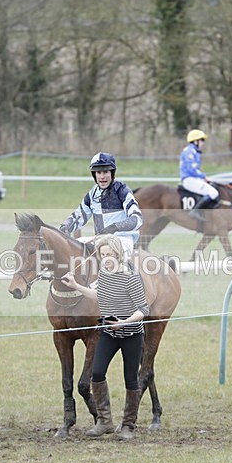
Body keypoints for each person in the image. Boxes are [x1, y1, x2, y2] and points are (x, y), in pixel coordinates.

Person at [61, 235, 149, 440]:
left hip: (131, 334)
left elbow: (143, 309)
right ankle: (105, 422)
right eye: (103, 254)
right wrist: (75, 285)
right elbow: (98, 294)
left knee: (130, 378)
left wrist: (124, 322)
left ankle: (128, 425)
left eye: (110, 254)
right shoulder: (104, 273)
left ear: (118, 253)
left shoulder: (131, 277)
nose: (106, 258)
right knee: (97, 373)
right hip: (109, 333)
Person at [60, 152, 142, 259]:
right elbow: (78, 216)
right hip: (100, 240)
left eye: (105, 172)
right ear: (94, 175)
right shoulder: (93, 193)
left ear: (112, 173)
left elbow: (137, 219)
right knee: (73, 248)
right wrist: (65, 227)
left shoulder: (122, 191)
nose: (102, 177)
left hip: (122, 240)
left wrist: (115, 227)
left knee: (108, 255)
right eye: (98, 172)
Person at [180, 129, 218, 219]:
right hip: (189, 179)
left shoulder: (194, 151)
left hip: (193, 178)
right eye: (202, 140)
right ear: (195, 141)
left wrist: (203, 178)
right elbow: (191, 169)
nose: (203, 143)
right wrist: (204, 176)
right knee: (213, 193)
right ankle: (195, 212)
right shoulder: (189, 151)